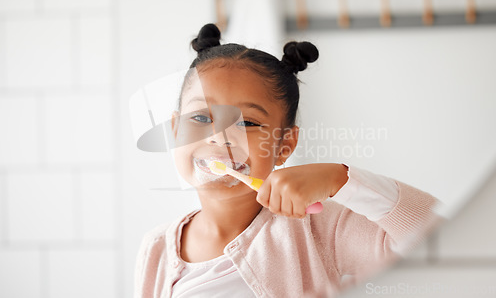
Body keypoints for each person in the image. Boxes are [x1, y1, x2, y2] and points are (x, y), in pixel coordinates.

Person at [133, 23, 441, 298]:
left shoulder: (319, 230)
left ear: (284, 145)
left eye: (247, 123)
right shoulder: (156, 248)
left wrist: (340, 179)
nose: (219, 137)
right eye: (200, 117)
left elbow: (440, 241)